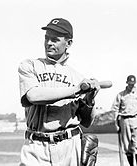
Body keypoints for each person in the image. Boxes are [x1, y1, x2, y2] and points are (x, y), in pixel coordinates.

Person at [18, 18, 101, 166]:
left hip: (69, 145)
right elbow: (33, 96)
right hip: (36, 145)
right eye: (47, 38)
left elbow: (87, 121)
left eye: (55, 40)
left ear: (68, 43)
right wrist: (76, 90)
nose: (49, 43)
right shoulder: (30, 66)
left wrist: (89, 99)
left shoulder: (77, 77)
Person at [111, 75, 137, 166]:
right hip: (125, 120)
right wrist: (116, 124)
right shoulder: (120, 95)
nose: (131, 85)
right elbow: (115, 111)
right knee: (127, 146)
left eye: (133, 84)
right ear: (127, 83)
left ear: (135, 83)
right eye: (130, 83)